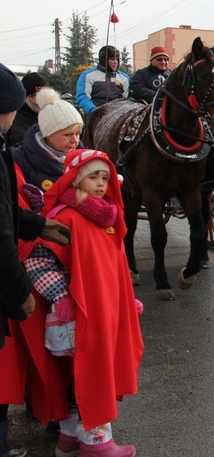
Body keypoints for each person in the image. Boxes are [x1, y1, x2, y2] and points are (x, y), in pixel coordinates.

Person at [21, 149, 144, 456]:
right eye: (93, 177)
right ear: (75, 181)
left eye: (105, 177)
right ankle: (97, 442)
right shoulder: (66, 218)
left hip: (101, 311)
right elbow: (37, 261)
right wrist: (61, 295)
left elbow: (109, 266)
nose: (101, 184)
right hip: (77, 314)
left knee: (85, 372)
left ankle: (71, 437)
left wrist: (124, 300)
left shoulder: (106, 219)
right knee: (89, 373)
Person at [0, 63, 71, 457]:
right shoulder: (14, 154)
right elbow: (1, 228)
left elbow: (10, 212)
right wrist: (18, 291)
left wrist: (37, 225)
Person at [13, 88, 83, 201]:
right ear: (48, 134)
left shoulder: (85, 159)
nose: (75, 140)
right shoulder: (19, 161)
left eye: (78, 134)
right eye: (67, 135)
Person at [76, 45, 130, 117]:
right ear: (103, 60)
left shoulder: (125, 78)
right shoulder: (87, 75)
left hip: (118, 116)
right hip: (95, 115)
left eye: (117, 59)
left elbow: (128, 99)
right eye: (112, 59)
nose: (116, 62)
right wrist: (94, 111)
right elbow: (82, 97)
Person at [6, 72, 48, 148]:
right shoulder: (12, 121)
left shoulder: (54, 116)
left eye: (44, 94)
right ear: (25, 97)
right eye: (34, 95)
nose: (40, 100)